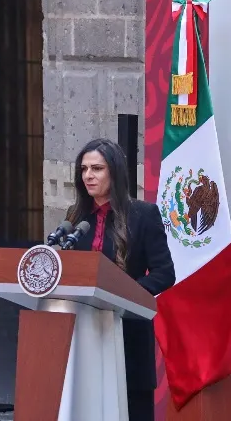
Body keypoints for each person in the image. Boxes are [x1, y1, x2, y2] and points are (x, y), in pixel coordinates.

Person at [65, 137, 176, 421]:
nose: (88, 176)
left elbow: (165, 273)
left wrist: (123, 295)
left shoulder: (143, 215)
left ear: (114, 172)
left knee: (130, 409)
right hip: (84, 331)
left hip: (128, 330)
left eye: (97, 169)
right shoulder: (75, 216)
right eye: (84, 169)